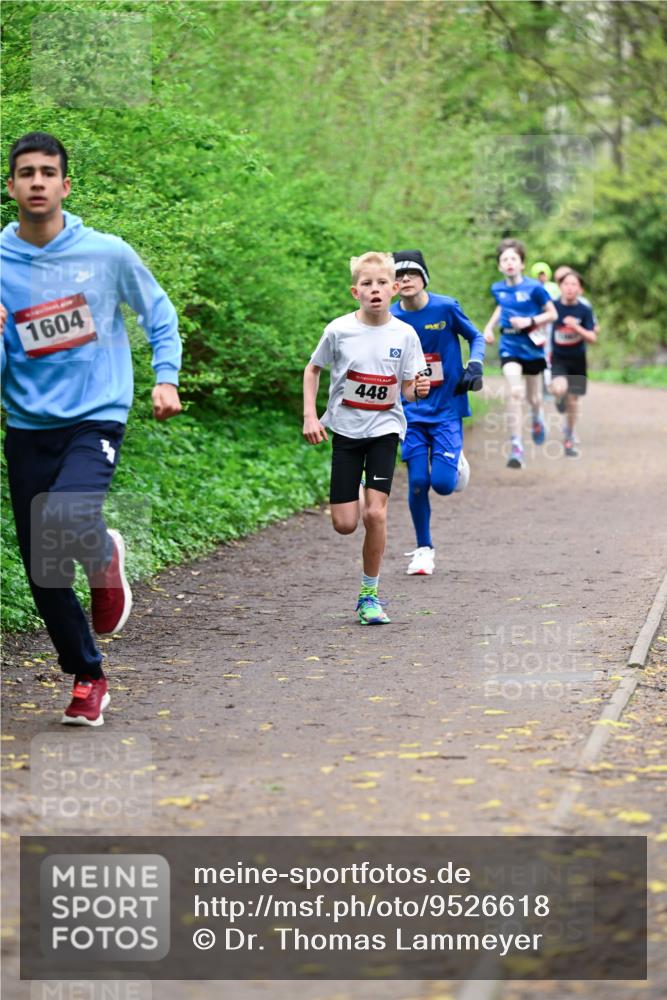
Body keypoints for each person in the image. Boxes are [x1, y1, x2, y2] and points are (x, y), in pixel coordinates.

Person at [1, 132, 182, 726]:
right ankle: (88, 676)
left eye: (47, 172)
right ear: (11, 186)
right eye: (26, 173)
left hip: (95, 413)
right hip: (27, 425)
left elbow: (158, 313)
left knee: (67, 515)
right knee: (44, 569)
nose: (37, 181)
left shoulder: (106, 254)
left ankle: (104, 555)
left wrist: (166, 377)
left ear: (65, 185)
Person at [303, 251, 429, 624]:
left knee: (375, 513)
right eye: (367, 284)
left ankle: (369, 595)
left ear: (394, 289)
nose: (375, 290)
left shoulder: (405, 334)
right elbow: (312, 370)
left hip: (384, 430)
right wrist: (310, 415)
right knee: (345, 524)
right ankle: (358, 485)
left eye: (381, 283)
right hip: (345, 430)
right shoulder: (339, 330)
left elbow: (408, 390)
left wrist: (418, 390)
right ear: (355, 291)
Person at [389, 250, 485, 576]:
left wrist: (475, 364)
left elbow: (476, 336)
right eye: (398, 275)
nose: (405, 279)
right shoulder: (390, 318)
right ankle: (423, 549)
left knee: (443, 485)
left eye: (412, 274)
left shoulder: (445, 307)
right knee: (418, 482)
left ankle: (454, 460)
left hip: (446, 408)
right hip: (411, 412)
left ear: (424, 278)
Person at [483, 239, 557, 469]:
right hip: (509, 346)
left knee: (534, 398)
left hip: (532, 347)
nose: (509, 263)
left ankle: (537, 416)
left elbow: (552, 314)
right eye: (504, 259)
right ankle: (516, 446)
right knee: (515, 391)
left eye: (513, 258)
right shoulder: (497, 288)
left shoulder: (535, 288)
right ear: (499, 266)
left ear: (522, 264)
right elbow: (502, 306)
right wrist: (489, 327)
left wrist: (530, 321)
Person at [549, 270, 597, 457]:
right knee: (559, 389)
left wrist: (576, 327)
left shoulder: (584, 310)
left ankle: (568, 436)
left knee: (574, 401)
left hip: (578, 360)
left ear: (580, 289)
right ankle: (559, 397)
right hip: (558, 358)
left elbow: (592, 337)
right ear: (560, 287)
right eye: (566, 284)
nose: (569, 288)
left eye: (574, 284)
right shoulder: (552, 307)